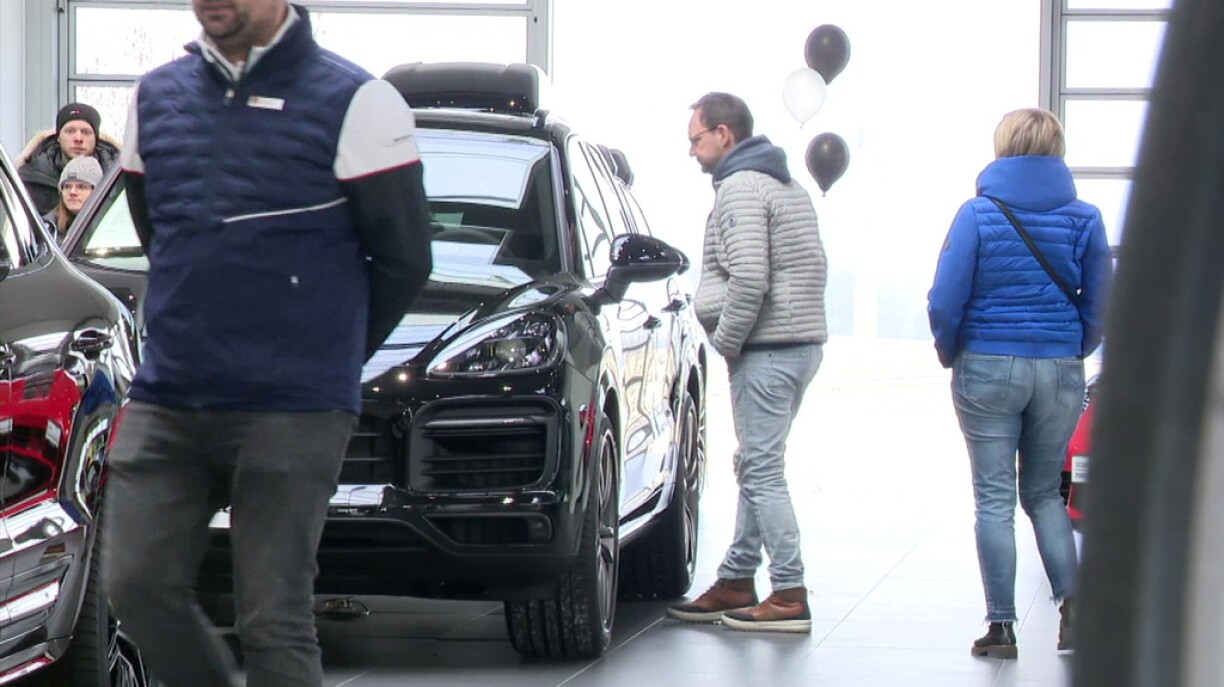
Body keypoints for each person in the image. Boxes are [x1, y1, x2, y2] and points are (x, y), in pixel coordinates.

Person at [101, 2, 433, 686]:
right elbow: (158, 229)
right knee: (135, 583)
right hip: (171, 393)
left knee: (271, 619)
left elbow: (404, 260)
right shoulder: (155, 97)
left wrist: (325, 357)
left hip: (294, 406)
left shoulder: (359, 101)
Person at [927, 107, 1111, 658]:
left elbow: (945, 298)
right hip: (1058, 368)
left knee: (994, 499)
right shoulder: (1085, 217)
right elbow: (1100, 304)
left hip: (986, 364)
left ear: (1003, 146)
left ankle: (1001, 628)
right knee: (1044, 495)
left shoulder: (976, 214)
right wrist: (1072, 350)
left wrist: (950, 350)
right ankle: (1075, 613)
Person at [666, 92, 828, 633]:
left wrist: (726, 341)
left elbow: (750, 278)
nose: (692, 151)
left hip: (766, 349)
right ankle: (737, 579)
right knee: (756, 464)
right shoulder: (786, 184)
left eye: (696, 139)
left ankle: (789, 592)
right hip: (799, 346)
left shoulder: (740, 187)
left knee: (762, 470)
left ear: (724, 134)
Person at [16, 102, 120, 215]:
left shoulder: (118, 178)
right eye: (70, 131)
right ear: (58, 137)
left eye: (86, 132)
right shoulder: (30, 179)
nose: (78, 138)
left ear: (96, 139)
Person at [42, 155, 102, 243]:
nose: (72, 192)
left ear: (96, 191)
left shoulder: (108, 226)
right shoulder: (45, 228)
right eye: (67, 186)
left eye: (81, 187)